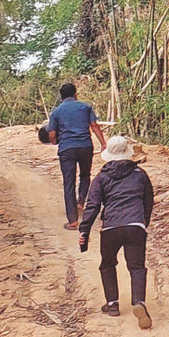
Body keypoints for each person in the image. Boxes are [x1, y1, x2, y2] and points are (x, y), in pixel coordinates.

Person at [78, 133, 155, 328]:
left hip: (111, 226)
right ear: (128, 153)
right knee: (137, 267)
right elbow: (148, 201)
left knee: (107, 264)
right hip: (135, 225)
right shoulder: (140, 175)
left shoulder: (101, 177)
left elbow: (93, 206)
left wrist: (84, 230)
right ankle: (139, 302)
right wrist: (142, 223)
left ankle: (112, 304)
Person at [43, 80, 106, 229]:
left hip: (67, 149)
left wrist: (54, 141)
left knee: (68, 182)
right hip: (85, 146)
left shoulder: (56, 112)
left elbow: (52, 134)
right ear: (75, 94)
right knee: (85, 175)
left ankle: (72, 221)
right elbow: (94, 126)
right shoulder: (85, 107)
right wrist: (103, 143)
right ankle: (80, 201)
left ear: (61, 97)